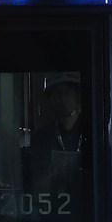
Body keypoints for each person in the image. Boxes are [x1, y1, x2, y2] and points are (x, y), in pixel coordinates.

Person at [29, 72, 88, 204]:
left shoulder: (94, 134)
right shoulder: (41, 138)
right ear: (51, 99)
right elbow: (36, 187)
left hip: (89, 208)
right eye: (56, 94)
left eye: (67, 92)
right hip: (52, 209)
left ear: (78, 96)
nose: (62, 99)